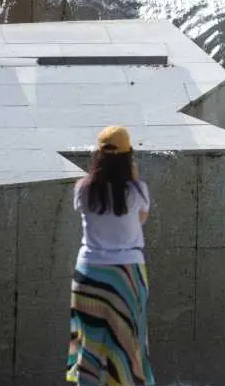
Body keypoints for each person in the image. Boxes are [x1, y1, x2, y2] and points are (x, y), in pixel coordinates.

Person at [67, 126, 155, 386]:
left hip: (89, 274)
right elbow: (141, 219)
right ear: (129, 157)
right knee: (127, 346)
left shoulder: (83, 189)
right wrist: (134, 178)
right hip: (125, 275)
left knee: (90, 345)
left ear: (98, 156)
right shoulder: (137, 191)